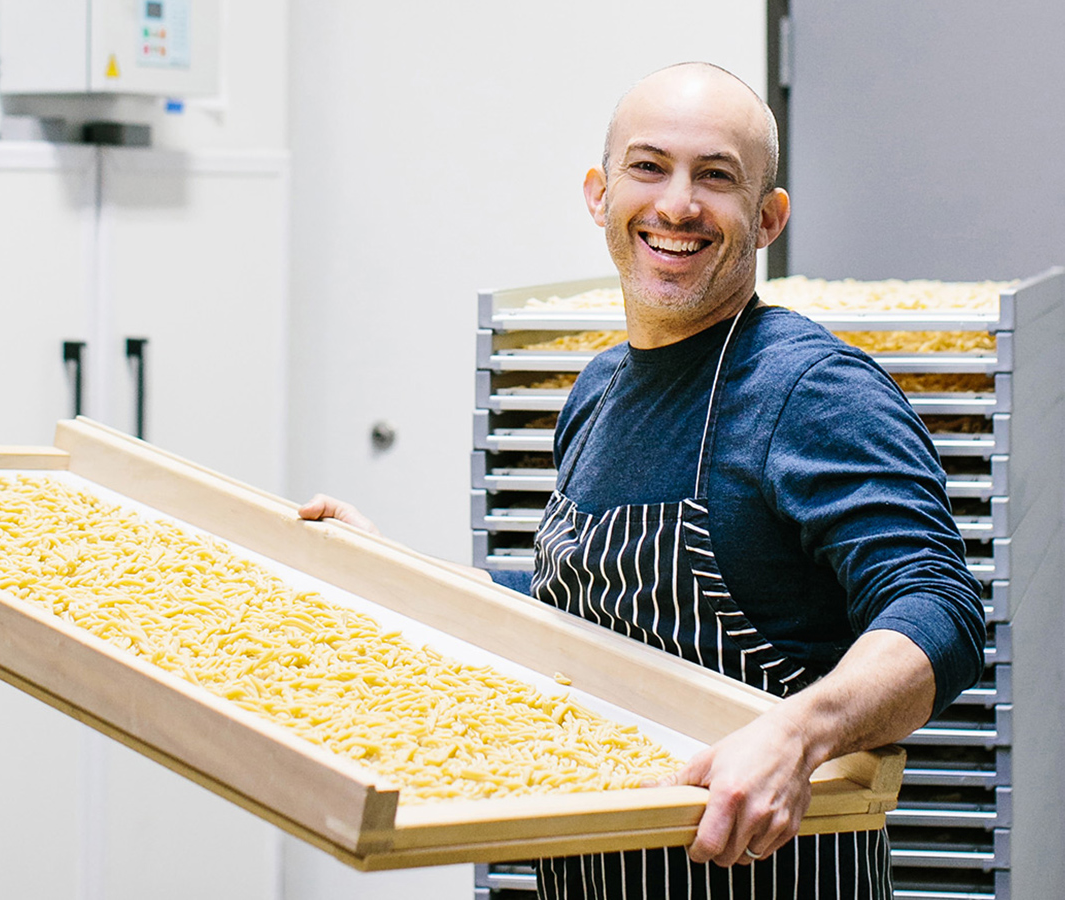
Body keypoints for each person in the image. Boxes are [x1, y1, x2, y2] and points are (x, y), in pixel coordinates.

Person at [301, 62, 985, 900]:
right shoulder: (598, 390)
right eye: (649, 167)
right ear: (599, 194)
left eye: (717, 177)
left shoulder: (808, 390)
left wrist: (796, 737)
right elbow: (586, 600)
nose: (676, 205)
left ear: (768, 219)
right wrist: (400, 576)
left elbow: (939, 608)